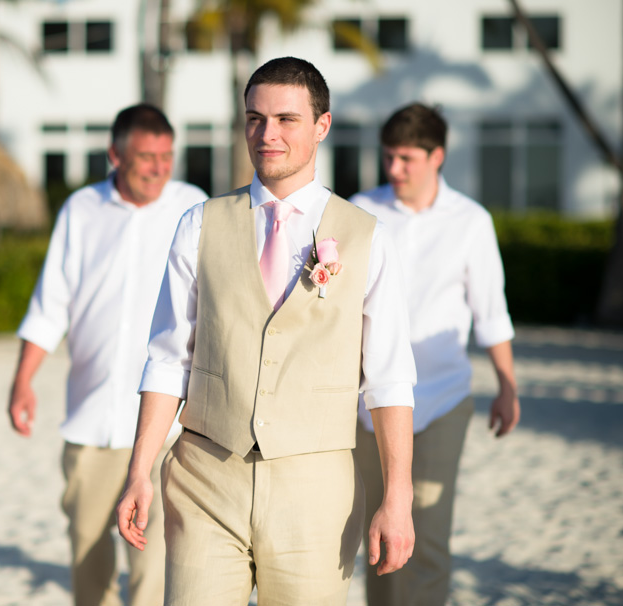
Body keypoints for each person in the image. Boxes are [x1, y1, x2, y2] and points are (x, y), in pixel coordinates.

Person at [116, 56, 417, 606]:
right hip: (205, 477)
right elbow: (167, 359)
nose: (266, 134)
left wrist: (398, 496)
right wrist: (139, 470)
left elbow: (389, 379)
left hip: (317, 489)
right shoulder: (200, 224)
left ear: (322, 126)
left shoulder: (367, 237)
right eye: (255, 118)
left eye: (286, 119)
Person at [8, 103, 208, 606]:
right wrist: (23, 381)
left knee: (155, 571)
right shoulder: (81, 208)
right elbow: (50, 304)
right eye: (146, 157)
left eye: (167, 156)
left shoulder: (195, 208)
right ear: (115, 155)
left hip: (170, 428)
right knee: (88, 564)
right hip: (91, 421)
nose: (159, 168)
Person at [351, 102, 521, 606]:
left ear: (437, 156)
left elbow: (491, 312)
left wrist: (507, 387)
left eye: (406, 158)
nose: (394, 169)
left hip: (443, 398)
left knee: (427, 538)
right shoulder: (361, 209)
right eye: (388, 157)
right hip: (368, 406)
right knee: (379, 536)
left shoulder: (471, 221)